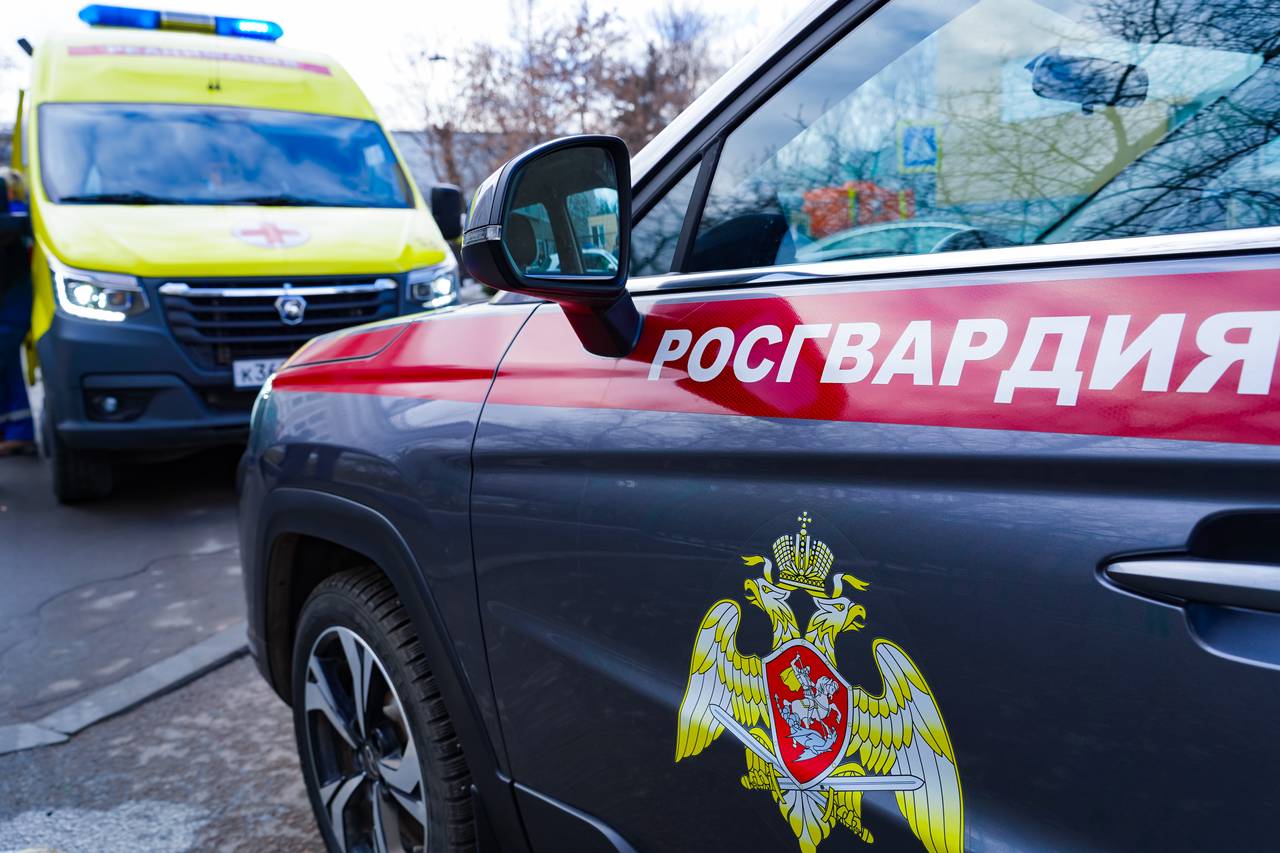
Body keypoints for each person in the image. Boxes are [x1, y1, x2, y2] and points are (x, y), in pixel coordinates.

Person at [0, 232, 34, 457]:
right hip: (12, 283)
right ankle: (17, 432)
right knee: (9, 364)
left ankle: (18, 433)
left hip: (13, 284)